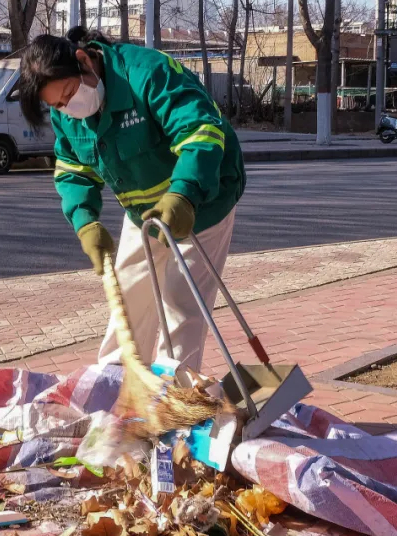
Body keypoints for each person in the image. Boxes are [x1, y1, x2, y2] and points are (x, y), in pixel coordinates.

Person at [17, 27, 246, 373]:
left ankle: (174, 394)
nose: (68, 108)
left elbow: (199, 130)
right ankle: (115, 383)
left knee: (181, 301)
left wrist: (184, 194)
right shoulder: (67, 114)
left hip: (201, 200)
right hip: (143, 212)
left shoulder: (147, 74)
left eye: (67, 94)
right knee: (127, 295)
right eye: (57, 105)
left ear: (83, 60)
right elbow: (73, 170)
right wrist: (85, 222)